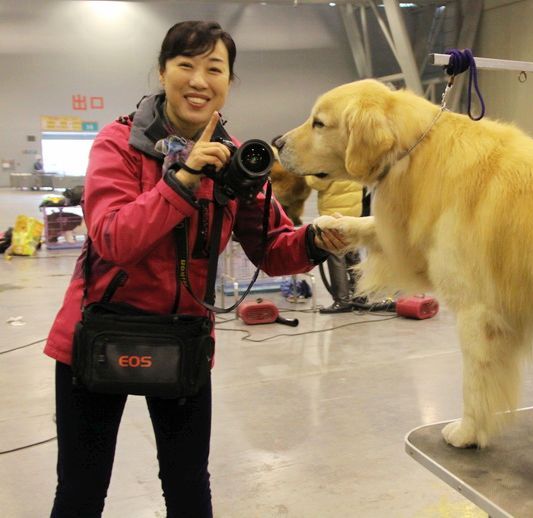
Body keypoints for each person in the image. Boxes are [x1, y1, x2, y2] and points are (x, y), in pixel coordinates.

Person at [43, 21, 345, 518]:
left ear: (229, 80)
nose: (199, 80)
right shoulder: (117, 143)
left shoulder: (236, 159)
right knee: (81, 491)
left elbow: (270, 249)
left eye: (214, 68)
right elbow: (115, 238)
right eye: (186, 65)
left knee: (188, 490)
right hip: (96, 332)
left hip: (182, 339)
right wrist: (183, 179)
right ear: (163, 73)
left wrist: (315, 240)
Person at [306, 175, 364, 313]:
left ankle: (342, 300)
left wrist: (310, 174)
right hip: (354, 211)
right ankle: (361, 297)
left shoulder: (327, 159)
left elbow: (317, 183)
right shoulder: (350, 158)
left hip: (334, 214)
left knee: (336, 256)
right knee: (353, 255)